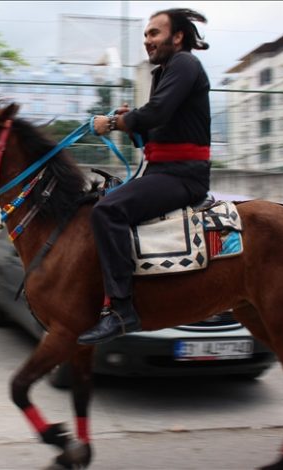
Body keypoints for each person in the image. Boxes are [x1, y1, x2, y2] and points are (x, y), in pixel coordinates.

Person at [78, 8, 212, 345]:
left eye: (154, 33)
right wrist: (131, 122)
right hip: (164, 170)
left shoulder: (185, 63)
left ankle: (122, 310)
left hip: (183, 176)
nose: (147, 41)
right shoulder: (164, 72)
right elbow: (157, 128)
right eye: (146, 35)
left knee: (108, 211)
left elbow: (157, 112)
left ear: (177, 36)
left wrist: (112, 123)